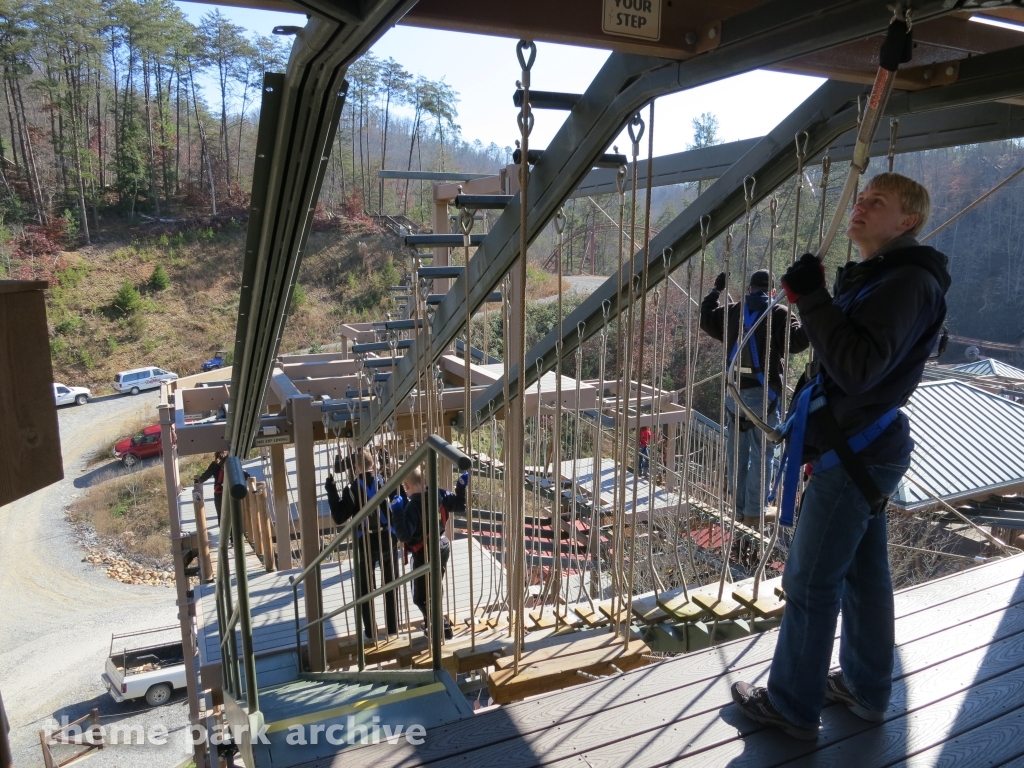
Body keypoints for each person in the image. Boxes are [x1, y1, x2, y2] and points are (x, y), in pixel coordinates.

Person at [731, 172, 951, 739]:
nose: (860, 206)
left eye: (877, 201)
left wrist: (814, 299)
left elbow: (856, 366)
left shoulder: (904, 283)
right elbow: (848, 353)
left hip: (855, 454)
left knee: (809, 584)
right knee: (864, 575)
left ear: (907, 220)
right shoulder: (885, 278)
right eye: (861, 198)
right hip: (862, 448)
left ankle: (792, 706)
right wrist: (820, 301)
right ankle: (866, 687)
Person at [700, 269, 809, 525]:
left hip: (734, 395)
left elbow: (706, 318)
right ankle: (753, 512)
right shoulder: (779, 314)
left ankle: (738, 509)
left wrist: (716, 291)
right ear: (772, 292)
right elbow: (799, 341)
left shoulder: (732, 311)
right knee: (762, 455)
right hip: (764, 398)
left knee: (736, 453)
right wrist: (805, 302)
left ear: (749, 289)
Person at [325, 448, 399, 640]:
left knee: (366, 588)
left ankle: (370, 632)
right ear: (373, 464)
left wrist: (331, 491)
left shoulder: (351, 490)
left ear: (356, 467)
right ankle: (392, 628)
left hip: (364, 541)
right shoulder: (386, 483)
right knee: (391, 584)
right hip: (387, 540)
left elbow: (339, 516)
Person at [390, 468, 469, 640]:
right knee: (434, 588)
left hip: (422, 553)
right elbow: (461, 505)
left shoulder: (412, 507)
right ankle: (435, 624)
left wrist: (396, 511)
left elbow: (403, 535)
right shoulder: (439, 494)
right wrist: (460, 488)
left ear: (406, 486)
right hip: (441, 547)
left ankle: (440, 626)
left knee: (421, 596)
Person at [195, 450, 229, 522]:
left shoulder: (214, 465)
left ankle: (223, 532)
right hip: (230, 493)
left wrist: (198, 480)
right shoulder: (231, 463)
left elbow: (205, 476)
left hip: (219, 493)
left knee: (221, 516)